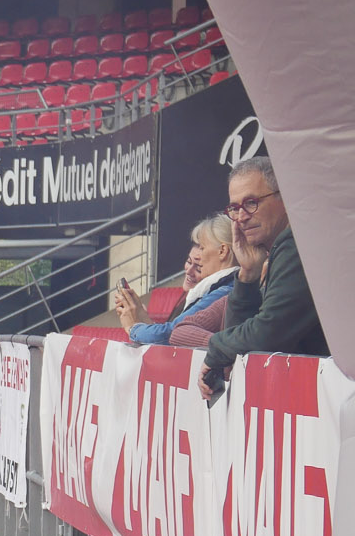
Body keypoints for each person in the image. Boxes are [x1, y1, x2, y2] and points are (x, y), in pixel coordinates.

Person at [201, 156, 329, 399]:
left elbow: (269, 333)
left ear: (285, 197)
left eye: (251, 203)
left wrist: (217, 348)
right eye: (234, 208)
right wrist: (248, 274)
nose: (241, 217)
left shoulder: (298, 243)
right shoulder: (283, 247)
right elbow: (242, 350)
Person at [112, 214, 237, 345]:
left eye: (202, 248)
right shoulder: (221, 289)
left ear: (222, 251)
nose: (199, 255)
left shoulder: (223, 291)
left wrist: (132, 328)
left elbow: (172, 335)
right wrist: (141, 316)